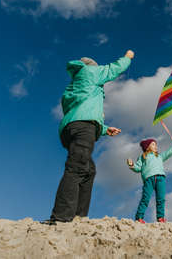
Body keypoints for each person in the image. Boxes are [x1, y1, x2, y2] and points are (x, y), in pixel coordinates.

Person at [44, 50, 134, 225]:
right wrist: (127, 57)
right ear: (91, 66)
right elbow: (112, 70)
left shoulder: (74, 86)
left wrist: (104, 129)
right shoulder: (90, 72)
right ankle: (61, 217)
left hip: (70, 128)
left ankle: (79, 216)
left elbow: (81, 110)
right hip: (84, 127)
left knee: (88, 170)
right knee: (76, 168)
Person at [127, 138, 172, 223]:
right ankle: (139, 217)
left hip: (161, 178)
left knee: (161, 199)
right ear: (147, 147)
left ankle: (160, 217)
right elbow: (138, 168)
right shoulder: (143, 157)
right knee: (145, 199)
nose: (156, 146)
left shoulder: (159, 156)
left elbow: (168, 153)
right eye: (153, 144)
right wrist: (132, 165)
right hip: (148, 179)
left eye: (156, 144)